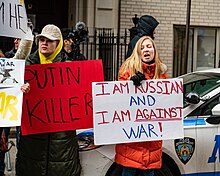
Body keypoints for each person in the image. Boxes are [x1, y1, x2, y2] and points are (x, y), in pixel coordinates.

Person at [16, 24, 81, 176]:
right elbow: (11, 101)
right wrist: (21, 92)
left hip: (61, 143)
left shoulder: (69, 69)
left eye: (49, 40)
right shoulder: (26, 68)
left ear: (58, 44)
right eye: (41, 40)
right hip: (33, 142)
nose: (44, 43)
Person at [115, 36, 168, 176]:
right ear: (138, 52)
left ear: (154, 51)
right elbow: (119, 103)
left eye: (149, 46)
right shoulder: (127, 71)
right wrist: (130, 85)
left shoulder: (161, 74)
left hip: (152, 145)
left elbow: (166, 102)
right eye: (142, 47)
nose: (146, 49)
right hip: (131, 146)